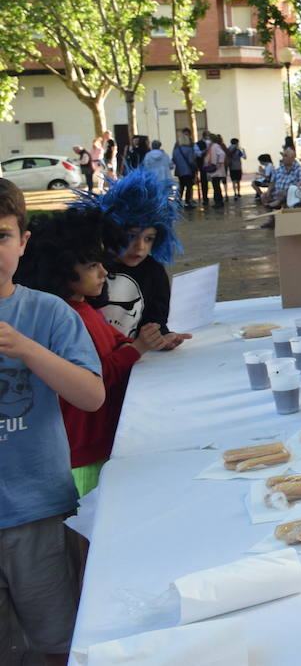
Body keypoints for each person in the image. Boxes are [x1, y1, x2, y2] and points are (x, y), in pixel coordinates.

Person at [0, 179, 103, 664]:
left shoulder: (48, 313)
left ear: (23, 242)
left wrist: (24, 349)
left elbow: (90, 395)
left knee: (58, 641)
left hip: (36, 511)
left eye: (1, 236)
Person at [15, 207, 167, 497]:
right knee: (91, 520)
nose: (104, 272)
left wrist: (151, 341)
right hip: (85, 447)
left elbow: (116, 342)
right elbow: (98, 373)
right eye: (92, 266)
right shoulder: (67, 318)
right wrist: (138, 348)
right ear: (62, 269)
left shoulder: (86, 308)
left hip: (101, 437)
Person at [81, 170, 190, 351]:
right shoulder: (94, 268)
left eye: (148, 239)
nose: (140, 247)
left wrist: (162, 337)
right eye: (131, 237)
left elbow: (156, 321)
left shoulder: (153, 271)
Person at [171, 131, 199, 209]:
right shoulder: (189, 149)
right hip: (188, 171)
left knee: (181, 186)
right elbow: (191, 161)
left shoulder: (176, 150)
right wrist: (195, 167)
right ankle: (187, 202)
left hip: (179, 171)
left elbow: (174, 160)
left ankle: (178, 201)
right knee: (189, 187)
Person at [203, 134, 227, 208]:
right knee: (216, 186)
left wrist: (219, 163)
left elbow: (222, 154)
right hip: (215, 169)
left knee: (216, 186)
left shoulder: (215, 146)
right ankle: (218, 201)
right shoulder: (212, 146)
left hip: (216, 170)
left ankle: (218, 202)